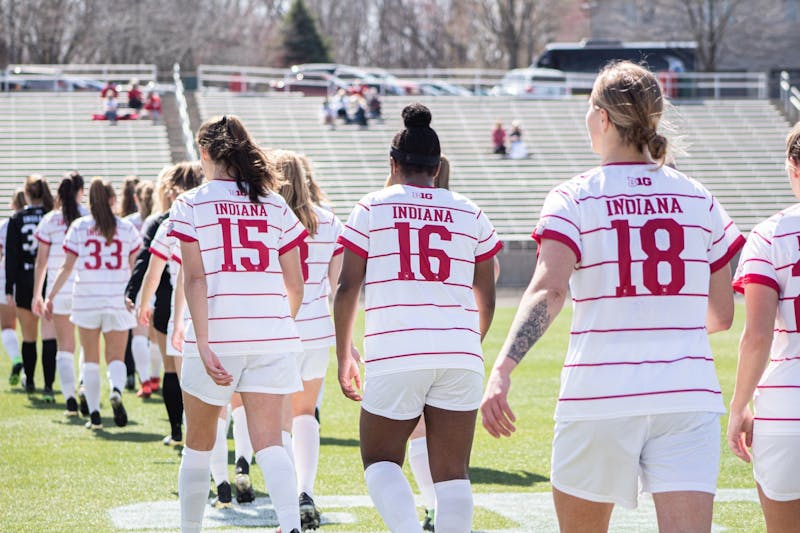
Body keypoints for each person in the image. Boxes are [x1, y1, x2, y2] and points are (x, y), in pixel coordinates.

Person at [480, 61, 745, 532]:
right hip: (686, 395)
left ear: (603, 118)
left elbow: (550, 288)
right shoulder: (700, 198)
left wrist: (502, 368)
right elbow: (721, 314)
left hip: (599, 394)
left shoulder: (574, 196)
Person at [335, 103, 501, 533]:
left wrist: (343, 355)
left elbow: (348, 286)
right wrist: (471, 342)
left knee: (380, 459)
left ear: (394, 164)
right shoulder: (471, 211)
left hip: (396, 349)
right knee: (453, 474)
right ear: (436, 165)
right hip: (460, 352)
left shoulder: (372, 206)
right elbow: (486, 289)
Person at [168, 114, 305, 533]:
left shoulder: (190, 202)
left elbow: (195, 278)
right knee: (271, 446)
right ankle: (292, 527)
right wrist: (277, 325)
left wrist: (204, 341)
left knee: (197, 446)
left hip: (217, 336)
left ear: (206, 153)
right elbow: (296, 283)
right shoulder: (275, 203)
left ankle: (190, 528)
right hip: (271, 336)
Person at [728, 122, 800, 531]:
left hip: (786, 407)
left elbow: (757, 334)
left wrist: (739, 406)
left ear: (793, 166)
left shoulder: (770, 234)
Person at [275, 149, 345, 530]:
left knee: (280, 422)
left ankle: (288, 500)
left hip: (279, 329)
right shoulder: (331, 222)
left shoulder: (269, 220)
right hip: (318, 329)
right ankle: (306, 491)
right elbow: (335, 288)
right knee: (306, 416)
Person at [44, 178, 142, 430]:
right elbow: (134, 268)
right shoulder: (127, 228)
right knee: (116, 357)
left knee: (89, 357)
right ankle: (117, 389)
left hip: (86, 298)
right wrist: (139, 298)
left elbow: (66, 267)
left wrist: (50, 296)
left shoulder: (79, 227)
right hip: (117, 299)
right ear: (113, 200)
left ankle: (96, 415)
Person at [132, 162, 203, 447]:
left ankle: (182, 434)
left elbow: (150, 267)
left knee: (178, 374)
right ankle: (238, 461)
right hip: (219, 309)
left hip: (179, 308)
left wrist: (141, 301)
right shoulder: (216, 210)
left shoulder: (170, 219)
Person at [31, 171, 88, 415]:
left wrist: (38, 294)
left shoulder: (50, 220)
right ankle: (86, 386)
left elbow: (41, 261)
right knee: (88, 344)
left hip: (59, 288)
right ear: (80, 192)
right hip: (85, 287)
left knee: (65, 346)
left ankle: (69, 398)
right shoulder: (89, 216)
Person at [6, 175, 56, 398]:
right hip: (46, 277)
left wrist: (9, 286)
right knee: (48, 335)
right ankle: (48, 386)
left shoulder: (17, 218)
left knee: (28, 336)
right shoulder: (51, 216)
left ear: (26, 193)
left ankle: (30, 382)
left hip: (25, 278)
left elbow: (12, 256)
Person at [1, 189, 25, 383]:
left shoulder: (5, 225)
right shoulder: (39, 221)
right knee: (31, 331)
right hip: (28, 277)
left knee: (7, 326)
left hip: (5, 278)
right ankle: (28, 375)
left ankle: (17, 360)